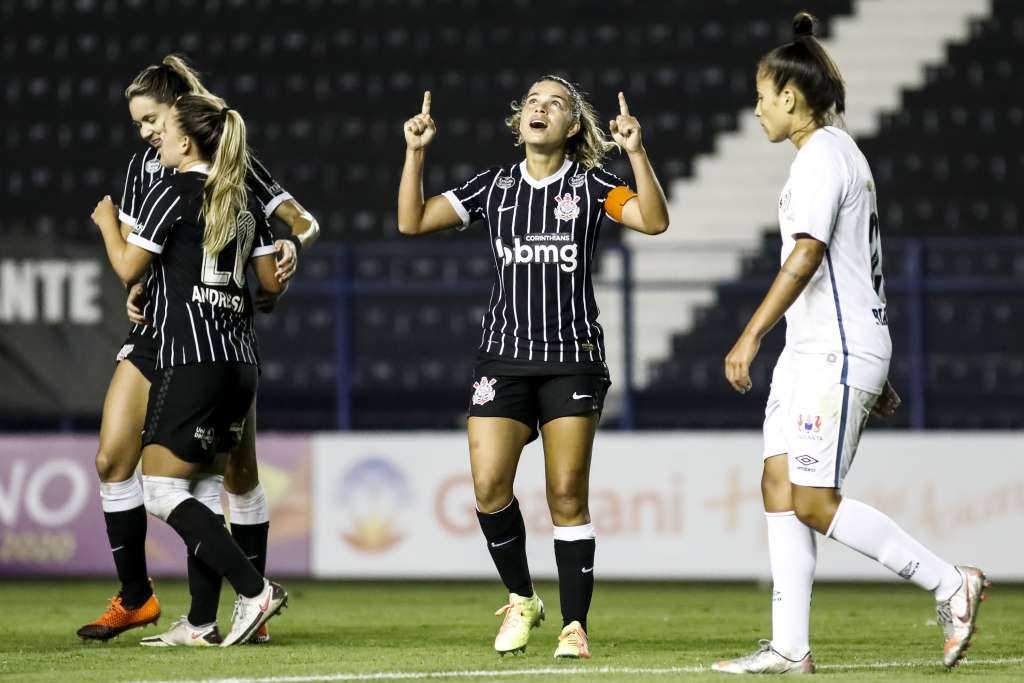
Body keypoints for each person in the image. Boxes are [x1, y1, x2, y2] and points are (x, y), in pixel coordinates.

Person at [712, 13, 987, 674]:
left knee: (811, 497)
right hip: (820, 350)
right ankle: (789, 645)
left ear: (789, 95)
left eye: (761, 93)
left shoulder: (822, 158)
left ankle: (950, 581)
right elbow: (854, 268)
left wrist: (749, 335)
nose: (756, 107)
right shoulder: (836, 155)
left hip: (830, 351)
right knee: (778, 481)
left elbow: (808, 255)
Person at [398, 77, 668, 659]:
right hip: (503, 358)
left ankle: (574, 625)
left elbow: (651, 220)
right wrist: (415, 153)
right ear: (519, 121)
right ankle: (522, 598)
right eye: (531, 102)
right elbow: (413, 220)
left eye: (555, 103)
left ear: (572, 126)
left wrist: (636, 152)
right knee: (489, 485)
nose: (538, 108)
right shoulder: (493, 188)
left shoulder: (595, 184)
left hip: (572, 361)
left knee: (566, 493)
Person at [77, 55, 318, 646]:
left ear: (182, 115)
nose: (146, 133)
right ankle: (140, 599)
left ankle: (241, 602)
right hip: (170, 332)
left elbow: (299, 221)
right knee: (115, 459)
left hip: (206, 336)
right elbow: (148, 264)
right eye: (138, 124)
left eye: (152, 119)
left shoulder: (230, 166)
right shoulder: (146, 167)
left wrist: (294, 242)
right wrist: (137, 289)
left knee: (227, 476)